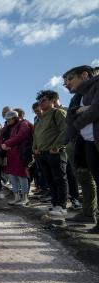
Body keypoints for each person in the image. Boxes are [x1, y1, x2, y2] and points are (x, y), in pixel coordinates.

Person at [62, 65, 99, 232]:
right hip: (86, 141)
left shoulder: (97, 85)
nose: (67, 84)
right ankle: (91, 215)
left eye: (70, 79)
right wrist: (81, 110)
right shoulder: (78, 97)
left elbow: (95, 111)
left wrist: (80, 117)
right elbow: (69, 117)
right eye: (65, 82)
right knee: (89, 178)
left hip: (94, 138)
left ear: (84, 75)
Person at [33, 90, 68, 217]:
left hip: (55, 153)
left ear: (53, 101)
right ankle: (55, 204)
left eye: (44, 100)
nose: (41, 103)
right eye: (39, 101)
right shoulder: (39, 118)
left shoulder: (58, 113)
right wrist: (35, 148)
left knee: (60, 179)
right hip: (41, 154)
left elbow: (65, 130)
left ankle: (62, 206)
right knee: (50, 180)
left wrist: (57, 146)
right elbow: (36, 136)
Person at [0, 111, 33, 206]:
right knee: (12, 175)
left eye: (9, 119)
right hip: (10, 154)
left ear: (15, 118)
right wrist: (3, 145)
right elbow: (0, 138)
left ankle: (25, 198)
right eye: (6, 120)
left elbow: (22, 136)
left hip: (20, 153)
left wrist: (7, 143)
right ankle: (16, 197)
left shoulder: (24, 124)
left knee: (22, 175)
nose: (7, 121)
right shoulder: (8, 127)